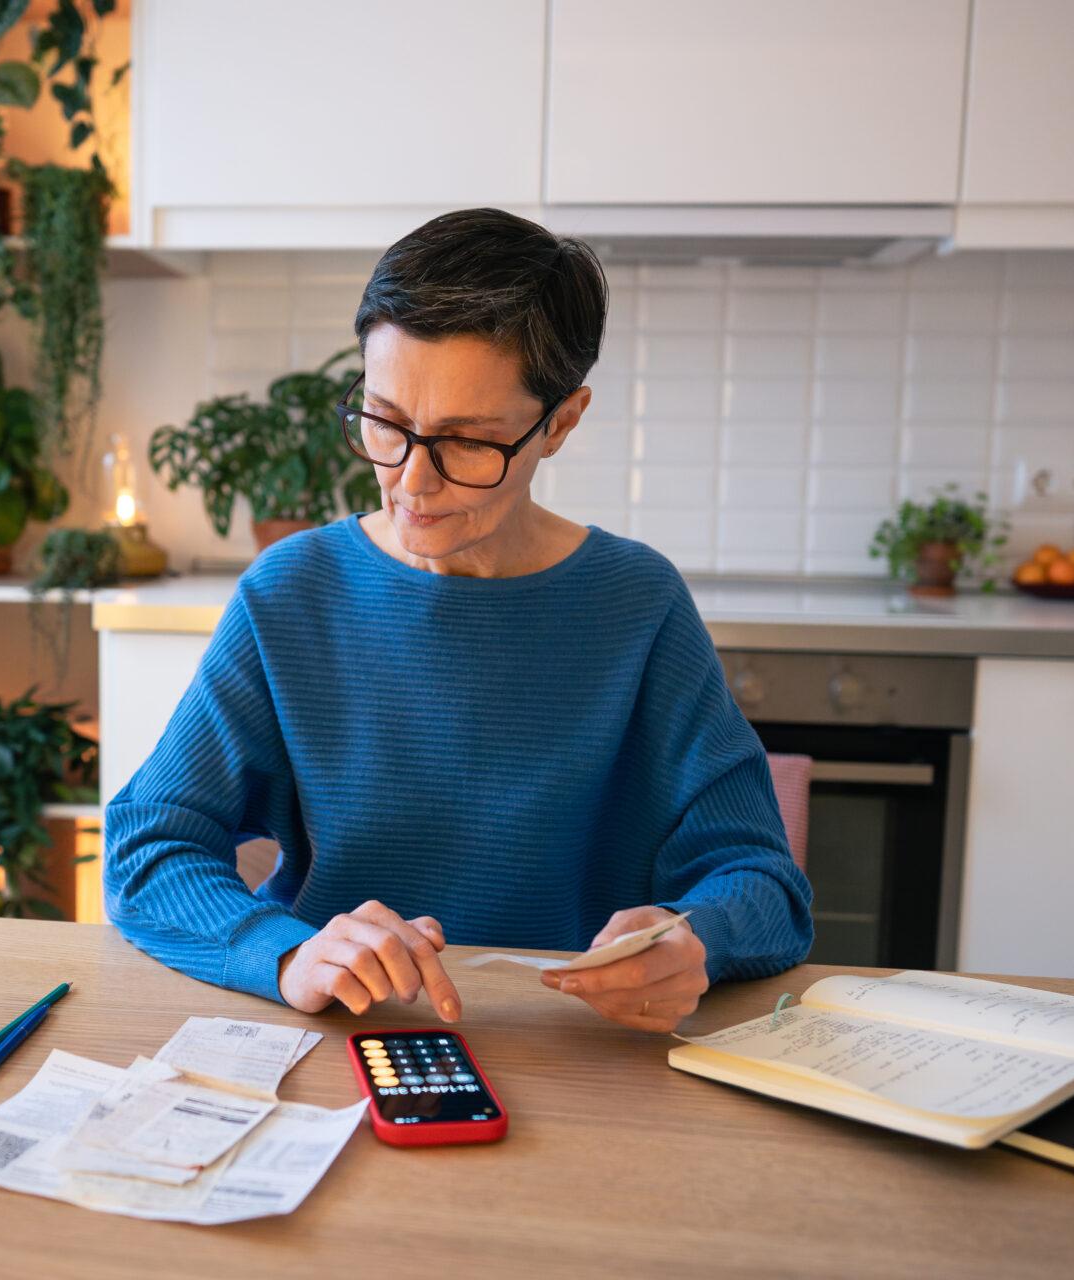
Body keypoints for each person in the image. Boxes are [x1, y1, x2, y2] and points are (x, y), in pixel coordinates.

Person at [104, 208, 811, 1033]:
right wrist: (287, 954)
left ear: (562, 422)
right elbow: (149, 847)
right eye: (385, 421)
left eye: (467, 442)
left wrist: (697, 939)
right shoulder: (293, 592)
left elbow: (764, 883)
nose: (411, 481)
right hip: (337, 1041)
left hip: (577, 1053)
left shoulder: (638, 605)